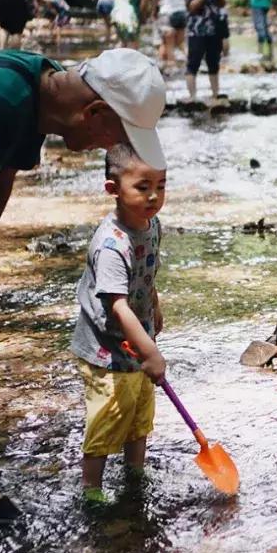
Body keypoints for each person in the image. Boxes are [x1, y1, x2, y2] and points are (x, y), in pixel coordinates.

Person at [0, 47, 167, 524]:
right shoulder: (0, 105)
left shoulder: (36, 87)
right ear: (96, 113)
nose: (111, 151)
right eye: (117, 138)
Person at [72, 143, 166, 503]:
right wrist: (151, 351)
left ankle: (134, 471)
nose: (154, 196)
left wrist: (154, 307)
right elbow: (117, 307)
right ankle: (91, 489)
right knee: (109, 413)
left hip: (137, 338)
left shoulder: (152, 223)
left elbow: (148, 272)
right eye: (142, 187)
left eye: (161, 185)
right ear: (113, 190)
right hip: (107, 348)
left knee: (140, 409)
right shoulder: (112, 245)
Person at [182, 0, 226, 104]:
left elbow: (222, 3)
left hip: (214, 29)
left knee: (214, 62)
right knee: (193, 63)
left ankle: (215, 94)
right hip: (196, 29)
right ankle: (192, 97)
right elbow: (192, 7)